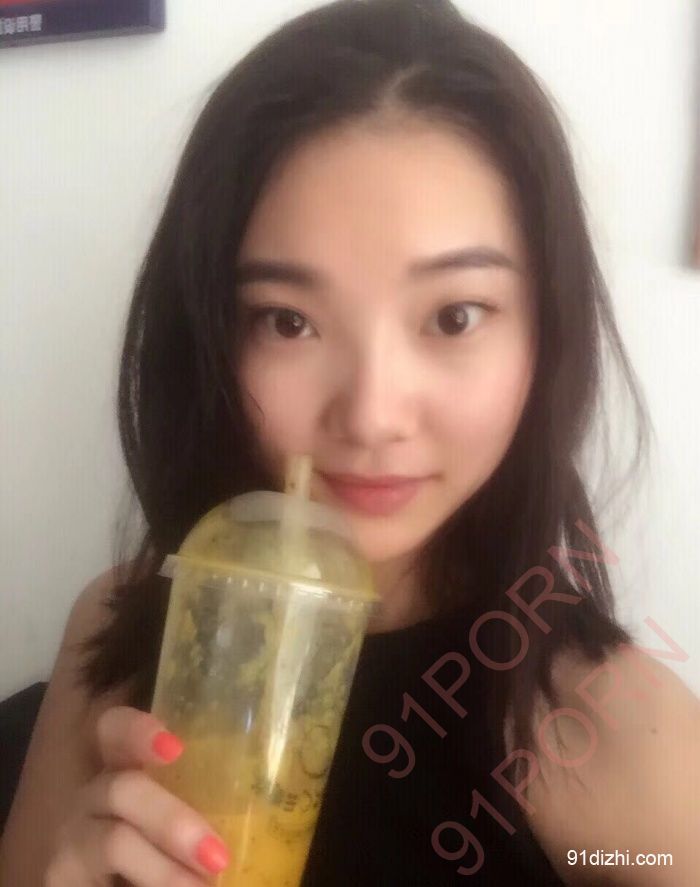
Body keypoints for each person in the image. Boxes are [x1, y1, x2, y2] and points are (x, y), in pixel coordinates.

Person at [1, 0, 698, 884]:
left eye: (455, 316)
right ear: (209, 336)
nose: (370, 415)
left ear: (545, 335)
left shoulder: (626, 736)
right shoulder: (121, 631)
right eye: (287, 320)